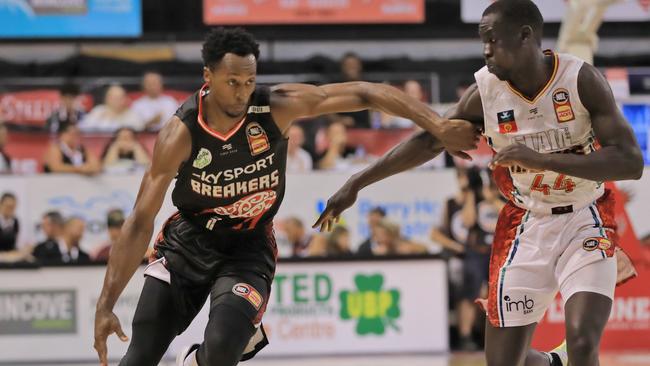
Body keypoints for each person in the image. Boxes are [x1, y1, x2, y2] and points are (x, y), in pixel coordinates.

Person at [92, 27, 477, 366]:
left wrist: (438, 124)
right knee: (140, 357)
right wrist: (106, 304)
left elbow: (367, 92)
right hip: (189, 242)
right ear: (207, 76)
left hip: (248, 245)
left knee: (224, 347)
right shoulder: (180, 133)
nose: (242, 92)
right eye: (231, 82)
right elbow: (141, 220)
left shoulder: (275, 106)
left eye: (248, 81)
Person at [313, 1, 644, 365]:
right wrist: (356, 183)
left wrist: (540, 159)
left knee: (582, 343)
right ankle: (554, 363)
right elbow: (427, 142)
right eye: (482, 40)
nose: (486, 49)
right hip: (527, 223)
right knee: (503, 362)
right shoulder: (483, 93)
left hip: (587, 216)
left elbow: (630, 162)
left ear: (525, 36)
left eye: (493, 40)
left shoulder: (580, 79)